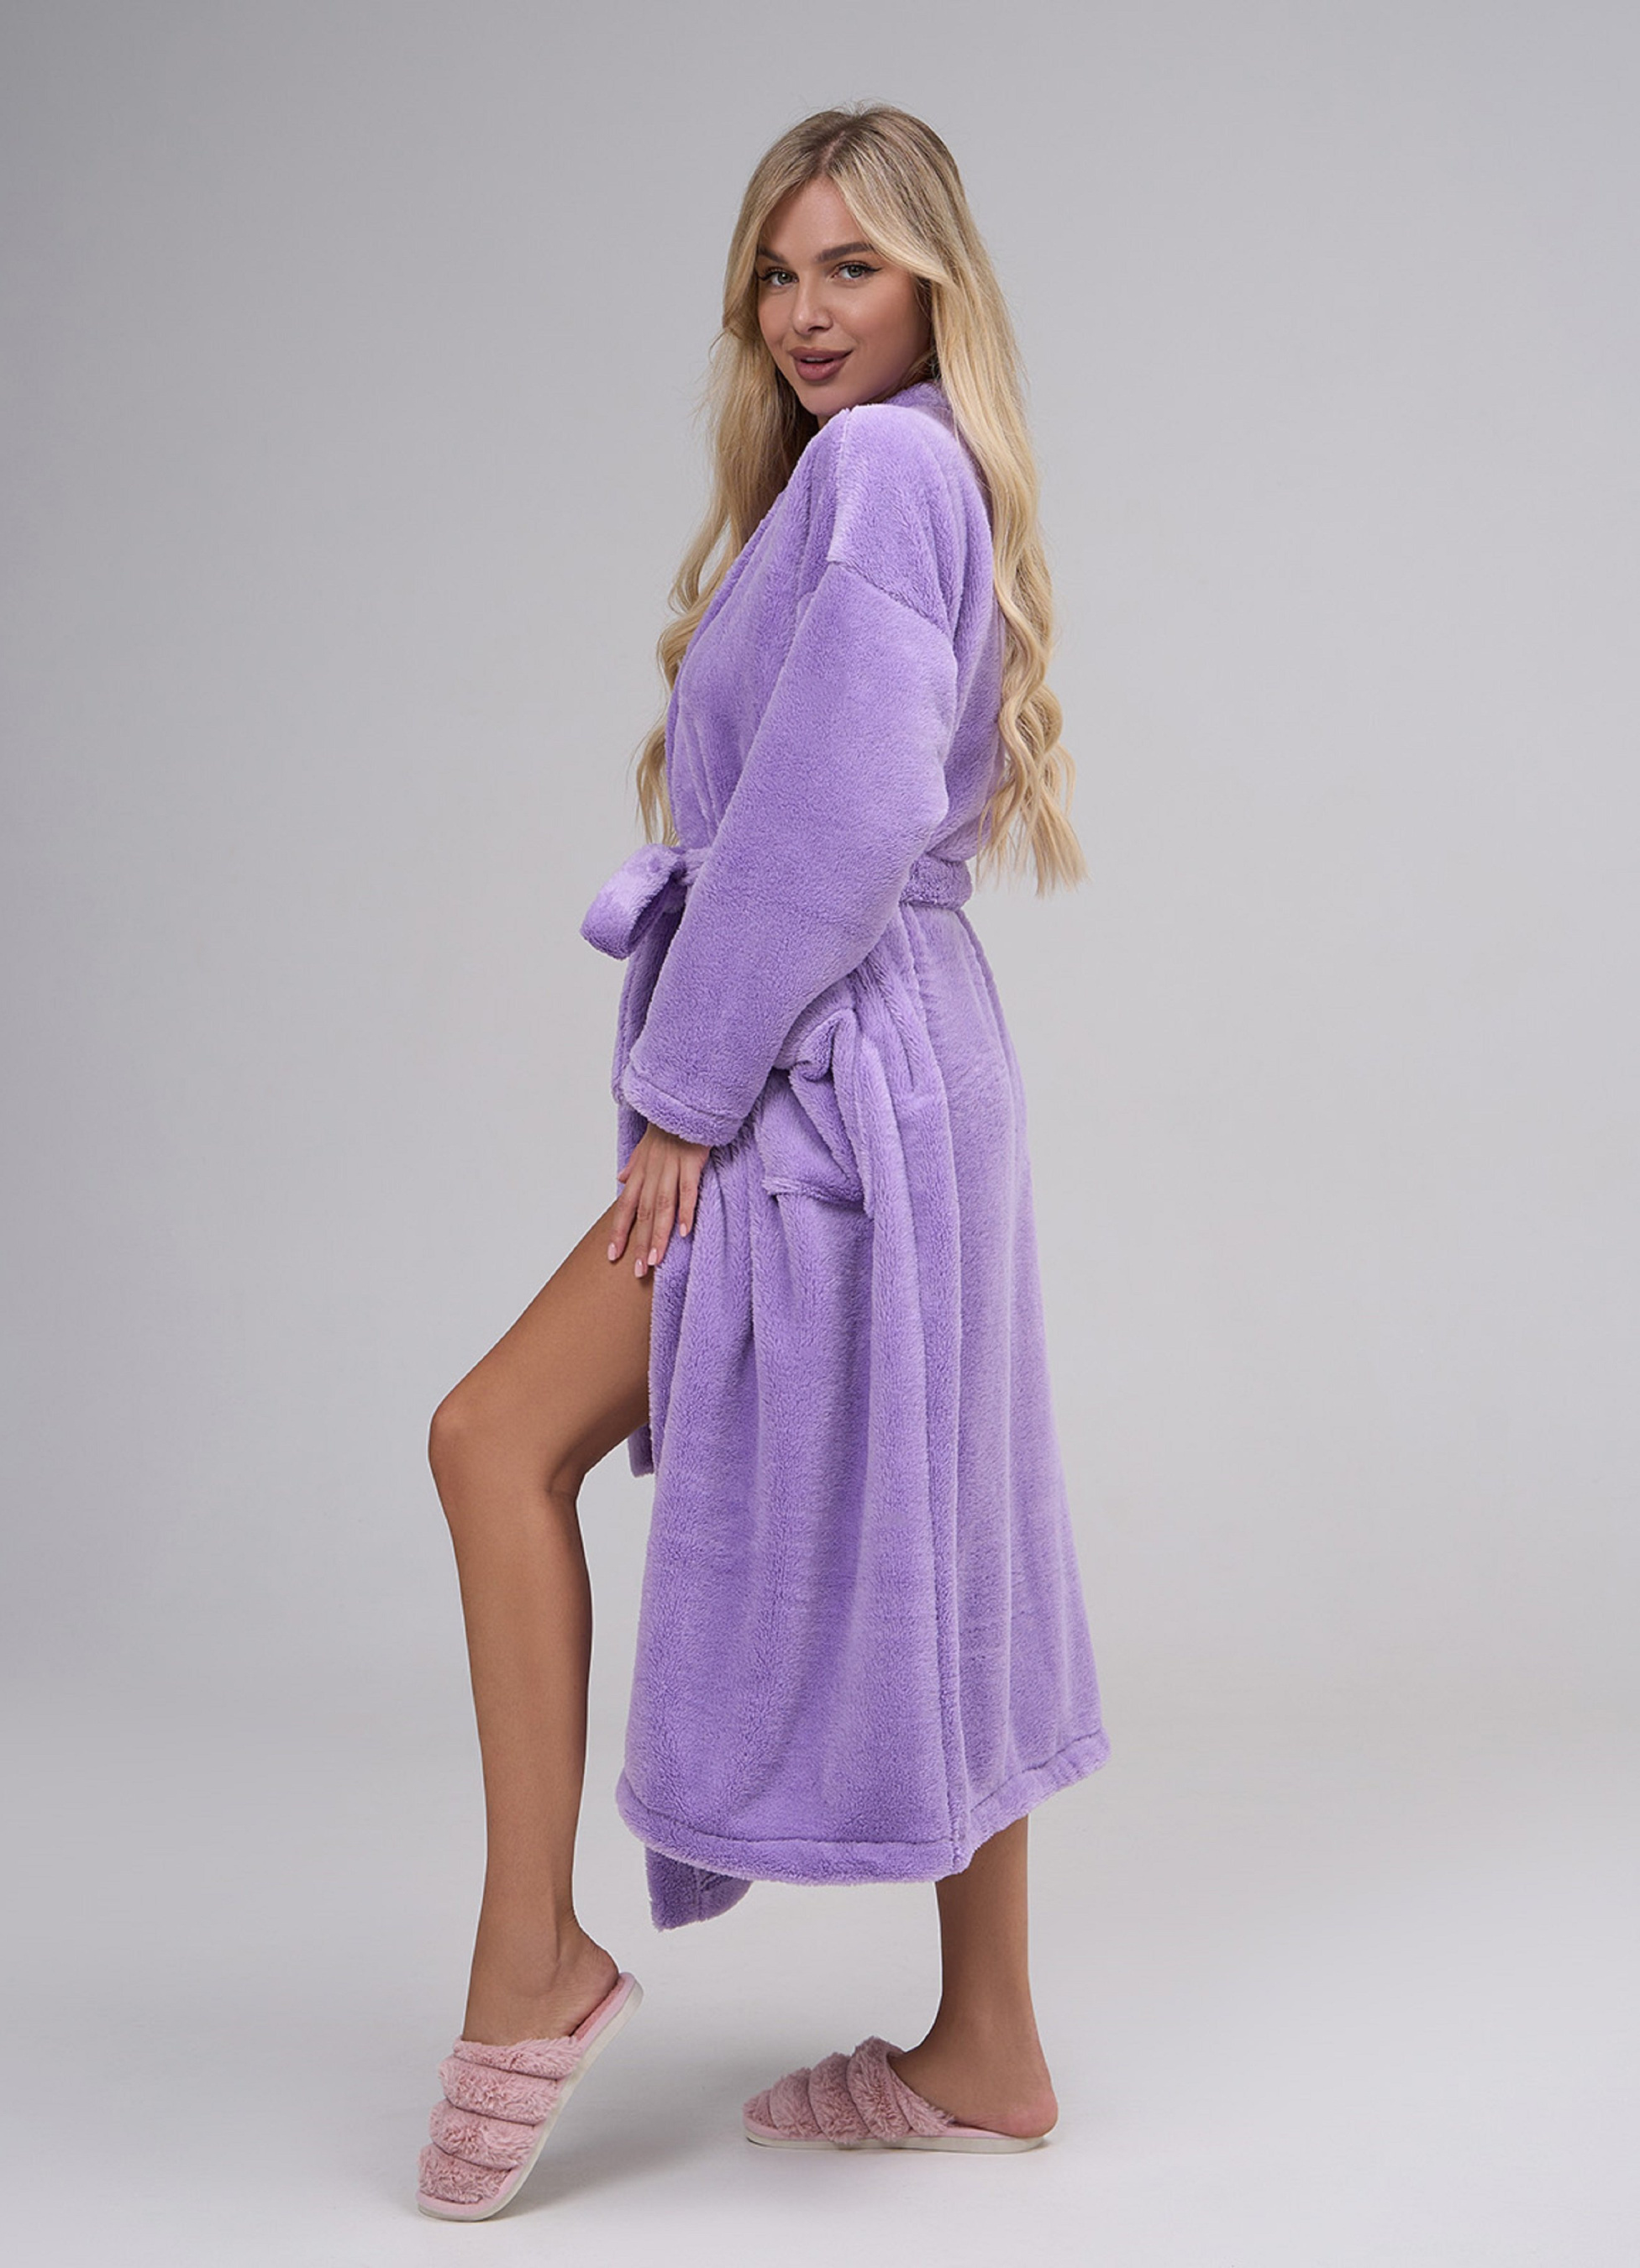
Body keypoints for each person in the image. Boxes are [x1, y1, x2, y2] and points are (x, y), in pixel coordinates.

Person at [414, 102, 1108, 2220]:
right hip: (906, 1047)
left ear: (932, 284)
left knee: (488, 1437)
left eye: (852, 271)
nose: (808, 314)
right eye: (779, 276)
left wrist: (687, 1091)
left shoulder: (885, 469)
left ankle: (529, 1964)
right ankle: (987, 2046)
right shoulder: (897, 469)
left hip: (816, 1061)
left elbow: (829, 817)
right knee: (948, 1502)